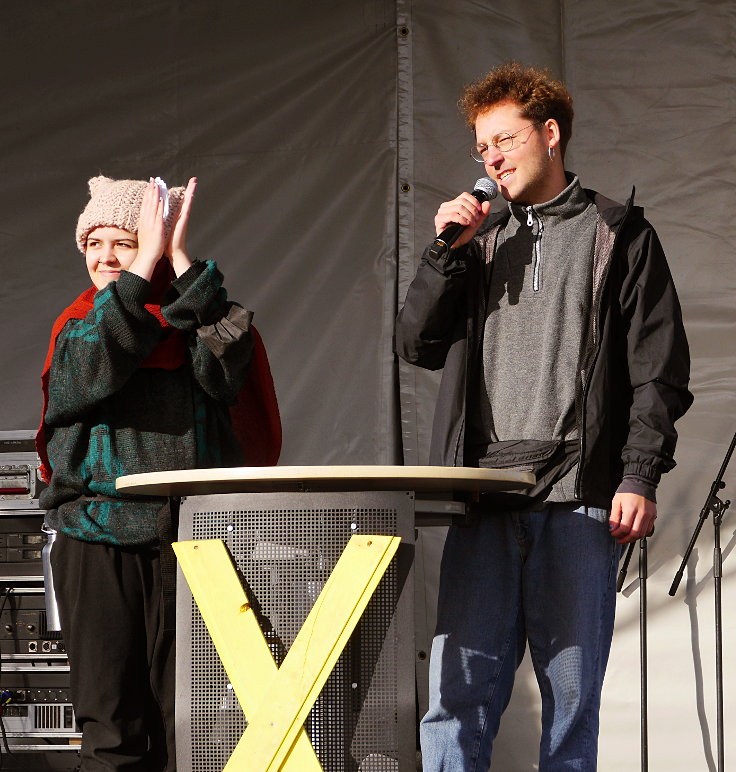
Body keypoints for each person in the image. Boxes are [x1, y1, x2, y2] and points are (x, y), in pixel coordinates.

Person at [395, 62, 692, 771]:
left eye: (503, 140)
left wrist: (639, 474)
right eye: (481, 148)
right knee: (456, 697)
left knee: (570, 707)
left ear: (549, 134)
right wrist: (444, 254)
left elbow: (659, 370)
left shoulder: (620, 234)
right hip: (485, 499)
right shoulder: (478, 242)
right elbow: (416, 344)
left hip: (580, 502)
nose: (491, 158)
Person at [36, 175, 280, 770]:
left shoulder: (194, 322)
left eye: (124, 240)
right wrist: (143, 265)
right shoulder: (80, 326)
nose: (105, 257)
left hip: (190, 542)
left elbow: (229, 364)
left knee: (196, 729)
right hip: (97, 540)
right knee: (112, 728)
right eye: (94, 243)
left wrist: (176, 257)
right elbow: (99, 359)